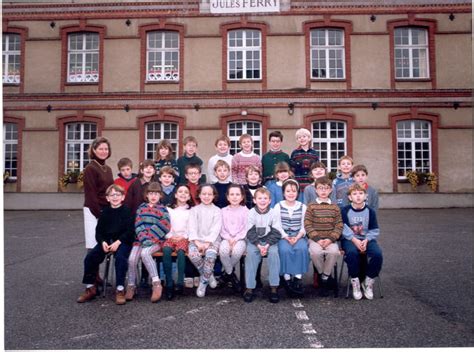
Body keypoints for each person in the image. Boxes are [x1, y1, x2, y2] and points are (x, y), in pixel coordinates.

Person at [77, 184, 134, 305]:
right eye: (112, 195)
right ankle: (90, 287)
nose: (115, 197)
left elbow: (130, 231)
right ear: (107, 198)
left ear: (123, 197)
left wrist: (119, 242)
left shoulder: (127, 211)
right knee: (90, 257)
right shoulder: (105, 212)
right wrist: (102, 242)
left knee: (120, 258)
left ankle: (120, 289)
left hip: (122, 241)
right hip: (107, 242)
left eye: (118, 195)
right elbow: (99, 232)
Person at [125, 182, 171, 303]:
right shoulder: (141, 208)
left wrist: (150, 238)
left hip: (156, 241)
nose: (153, 196)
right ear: (146, 195)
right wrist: (143, 238)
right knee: (132, 259)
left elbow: (165, 225)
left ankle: (156, 283)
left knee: (145, 254)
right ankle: (131, 285)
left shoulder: (163, 209)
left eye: (156, 193)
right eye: (151, 193)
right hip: (140, 240)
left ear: (160, 195)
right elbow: (138, 224)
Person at [341, 183, 383, 300]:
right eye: (354, 194)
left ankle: (368, 281)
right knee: (352, 253)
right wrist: (355, 240)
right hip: (350, 239)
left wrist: (366, 240)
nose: (358, 196)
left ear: (365, 196)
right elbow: (343, 228)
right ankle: (356, 281)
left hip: (366, 239)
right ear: (350, 197)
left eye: (360, 193)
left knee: (377, 255)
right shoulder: (345, 210)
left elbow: (374, 229)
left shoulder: (370, 211)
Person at [243, 187, 283, 304]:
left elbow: (276, 231)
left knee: (274, 254)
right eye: (259, 198)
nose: (262, 200)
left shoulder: (274, 213)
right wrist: (259, 245)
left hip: (270, 241)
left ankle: (274, 287)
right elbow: (250, 231)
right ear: (254, 200)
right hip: (255, 241)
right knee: (250, 255)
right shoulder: (250, 213)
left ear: (270, 200)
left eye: (265, 198)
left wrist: (267, 244)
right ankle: (250, 287)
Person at [304, 176, 343, 297]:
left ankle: (324, 277)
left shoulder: (335, 207)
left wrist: (331, 239)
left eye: (326, 188)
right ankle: (323, 274)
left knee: (334, 252)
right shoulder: (311, 206)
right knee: (315, 253)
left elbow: (339, 225)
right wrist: (317, 239)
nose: (323, 191)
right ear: (316, 190)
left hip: (330, 240)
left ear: (331, 190)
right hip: (315, 239)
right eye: (320, 188)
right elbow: (307, 224)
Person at [274, 179, 309, 297]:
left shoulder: (303, 207)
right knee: (285, 250)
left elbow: (305, 225)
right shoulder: (278, 206)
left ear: (297, 192)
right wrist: (286, 237)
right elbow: (276, 225)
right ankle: (287, 277)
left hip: (298, 236)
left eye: (294, 191)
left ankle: (298, 278)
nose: (291, 193)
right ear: (284, 193)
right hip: (283, 236)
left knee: (302, 248)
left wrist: (298, 237)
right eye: (288, 191)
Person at [188, 184, 222, 297]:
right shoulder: (194, 210)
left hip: (212, 240)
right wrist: (197, 242)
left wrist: (207, 243)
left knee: (210, 255)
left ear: (214, 196)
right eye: (204, 194)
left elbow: (216, 228)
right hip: (196, 239)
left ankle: (203, 283)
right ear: (199, 195)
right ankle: (208, 275)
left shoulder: (217, 211)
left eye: (209, 194)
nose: (206, 196)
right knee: (193, 255)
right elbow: (191, 227)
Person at [163, 184, 194, 300]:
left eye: (186, 192)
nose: (183, 194)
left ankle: (180, 282)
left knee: (181, 252)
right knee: (166, 250)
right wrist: (171, 236)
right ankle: (169, 284)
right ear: (175, 195)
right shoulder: (169, 209)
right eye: (180, 192)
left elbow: (191, 227)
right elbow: (166, 225)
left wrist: (183, 237)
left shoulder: (191, 211)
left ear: (189, 196)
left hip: (184, 238)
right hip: (170, 236)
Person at [83, 136, 114, 250]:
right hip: (93, 210)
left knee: (107, 245)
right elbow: (91, 195)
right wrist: (100, 214)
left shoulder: (108, 169)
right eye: (100, 149)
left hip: (106, 209)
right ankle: (91, 268)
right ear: (94, 150)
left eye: (106, 149)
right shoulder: (90, 168)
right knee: (93, 246)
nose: (104, 151)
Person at [219, 184, 249, 292]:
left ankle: (225, 274)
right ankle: (231, 274)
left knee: (237, 252)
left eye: (237, 194)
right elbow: (221, 228)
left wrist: (236, 239)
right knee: (223, 251)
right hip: (225, 238)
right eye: (232, 194)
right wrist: (228, 238)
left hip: (240, 239)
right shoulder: (222, 211)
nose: (234, 197)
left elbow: (246, 228)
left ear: (242, 197)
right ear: (227, 197)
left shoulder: (246, 211)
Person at [289, 128, 319, 196]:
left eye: (304, 136)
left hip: (311, 185)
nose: (302, 139)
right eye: (299, 137)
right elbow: (292, 169)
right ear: (297, 140)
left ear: (309, 138)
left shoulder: (314, 153)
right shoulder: (295, 153)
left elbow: (317, 168)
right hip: (299, 185)